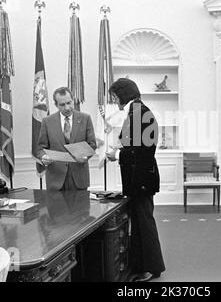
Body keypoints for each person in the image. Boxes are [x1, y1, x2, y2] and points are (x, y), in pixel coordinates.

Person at [106, 78, 165, 282]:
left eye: (115, 96)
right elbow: (136, 146)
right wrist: (121, 149)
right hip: (139, 179)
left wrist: (117, 155)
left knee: (144, 224)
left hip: (140, 179)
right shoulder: (138, 111)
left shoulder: (139, 113)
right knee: (140, 224)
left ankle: (152, 267)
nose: (115, 101)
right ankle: (142, 265)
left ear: (124, 94)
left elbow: (143, 154)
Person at [37, 87, 96, 191]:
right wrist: (44, 157)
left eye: (69, 103)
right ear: (56, 105)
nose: (67, 107)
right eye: (62, 105)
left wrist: (85, 157)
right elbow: (40, 148)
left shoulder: (85, 119)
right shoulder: (47, 121)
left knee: (81, 208)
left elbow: (92, 144)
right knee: (56, 208)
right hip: (56, 179)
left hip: (79, 178)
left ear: (73, 100)